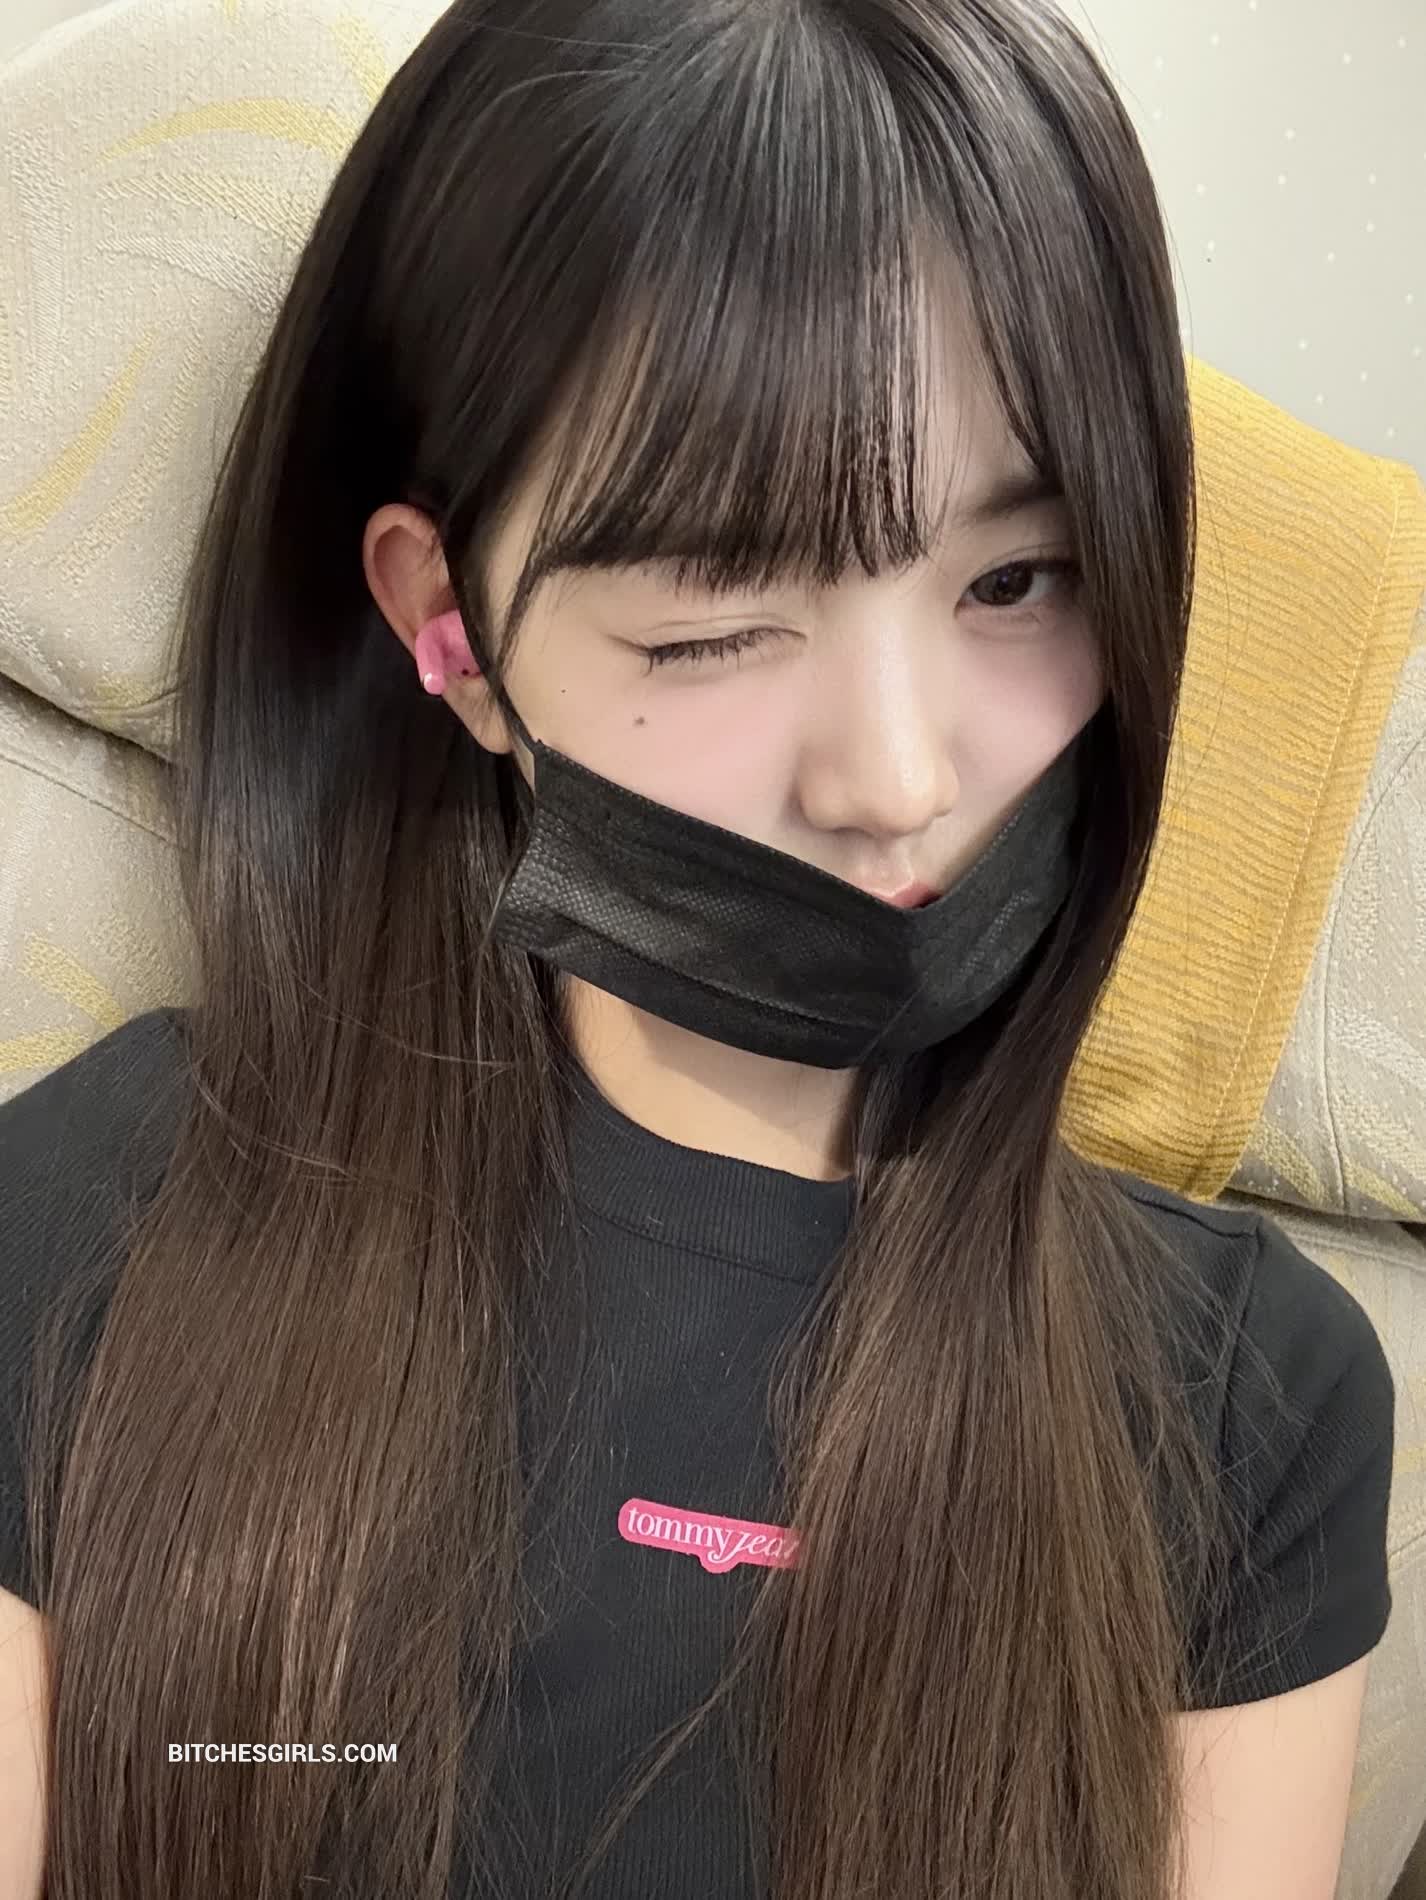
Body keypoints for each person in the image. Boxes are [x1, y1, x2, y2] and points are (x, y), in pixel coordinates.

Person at [0, 1, 1395, 1896]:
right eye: (715, 626)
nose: (897, 782)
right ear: (450, 631)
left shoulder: (1248, 1395)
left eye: (1015, 579)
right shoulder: (98, 1212)